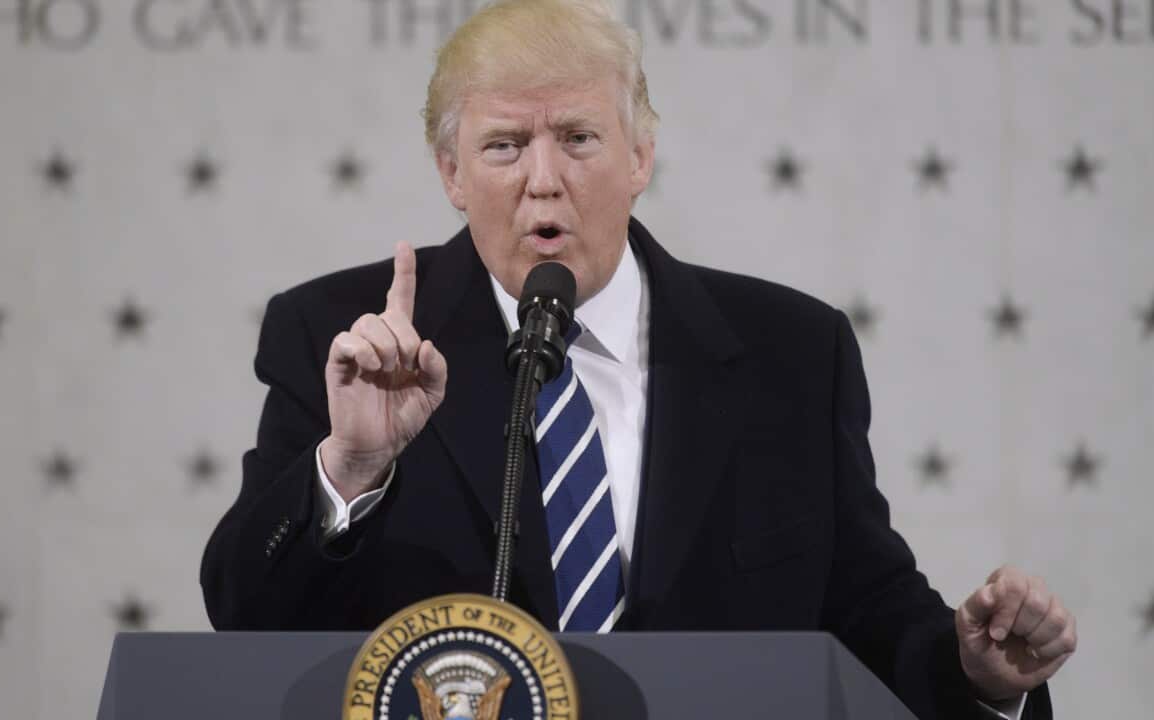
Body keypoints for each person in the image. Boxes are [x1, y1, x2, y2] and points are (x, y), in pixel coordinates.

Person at [199, 1, 1076, 717]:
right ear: (451, 173)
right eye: (504, 145)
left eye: (579, 138)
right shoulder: (339, 337)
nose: (543, 179)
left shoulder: (791, 353)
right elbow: (247, 621)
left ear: (641, 156)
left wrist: (977, 674)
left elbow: (865, 606)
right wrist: (351, 468)